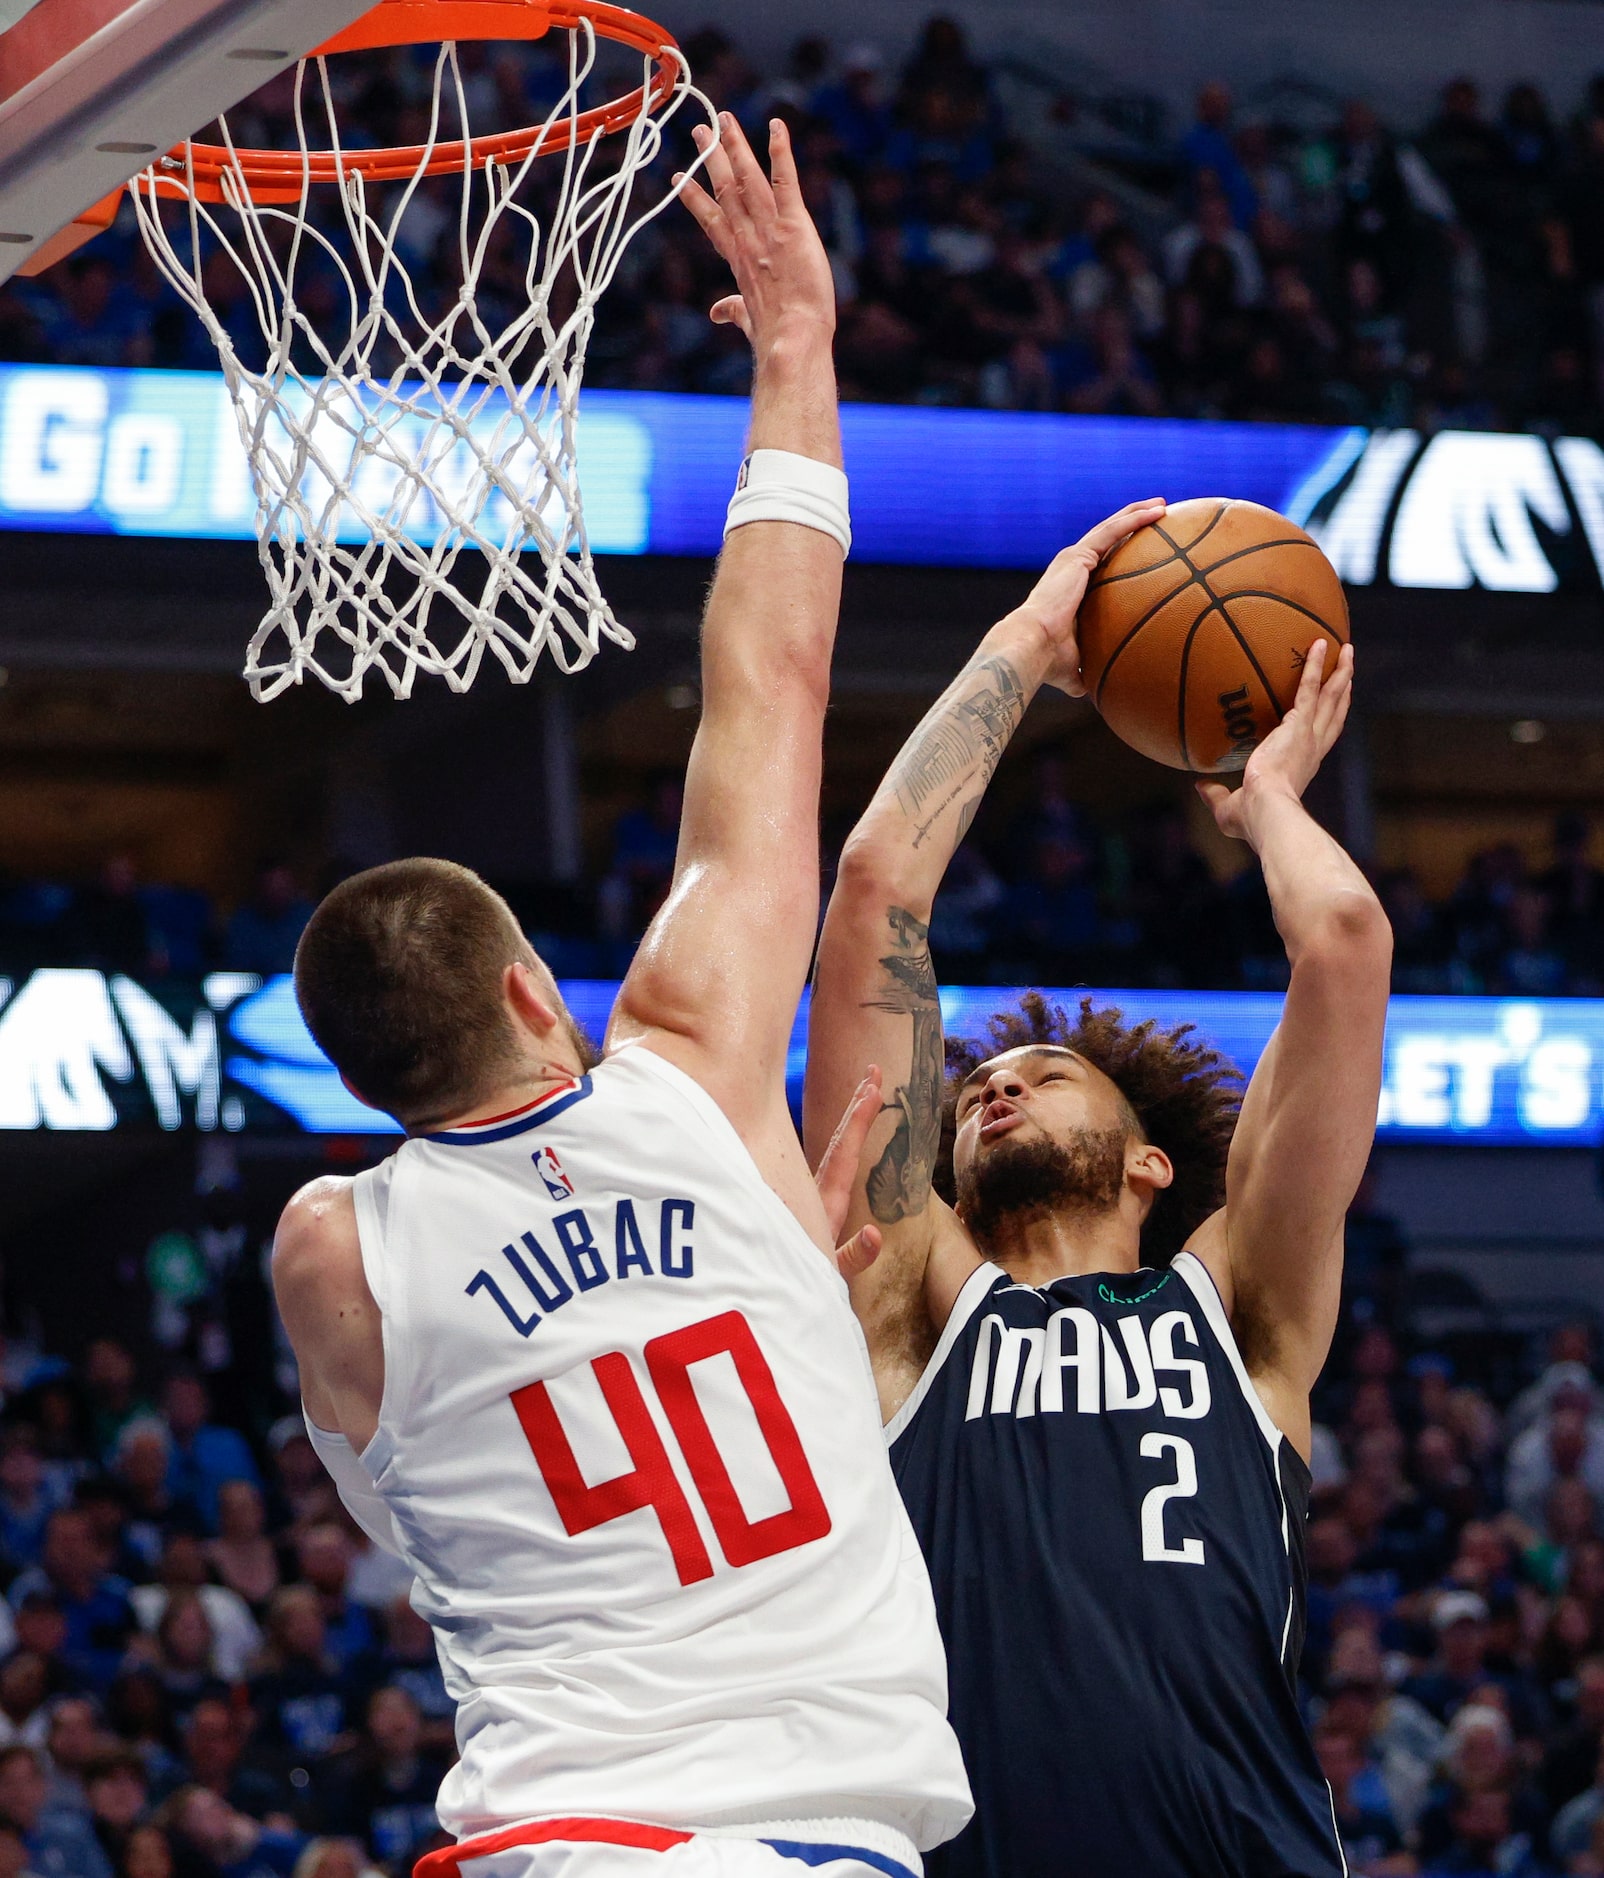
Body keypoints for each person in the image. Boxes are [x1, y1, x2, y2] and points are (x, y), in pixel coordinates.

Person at [270, 114, 969, 1878]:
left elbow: (392, 1449)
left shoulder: (334, 1247)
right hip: (806, 1831)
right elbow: (777, 683)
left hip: (562, 1832)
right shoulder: (691, 1067)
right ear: (529, 981)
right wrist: (797, 348)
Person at [805, 506, 1391, 1877]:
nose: (999, 1086)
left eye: (1048, 1070)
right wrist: (1029, 644)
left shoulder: (1242, 1300)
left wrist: (1271, 808)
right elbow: (877, 893)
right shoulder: (913, 1301)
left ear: (1151, 1161)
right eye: (980, 1089)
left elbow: (1348, 942)